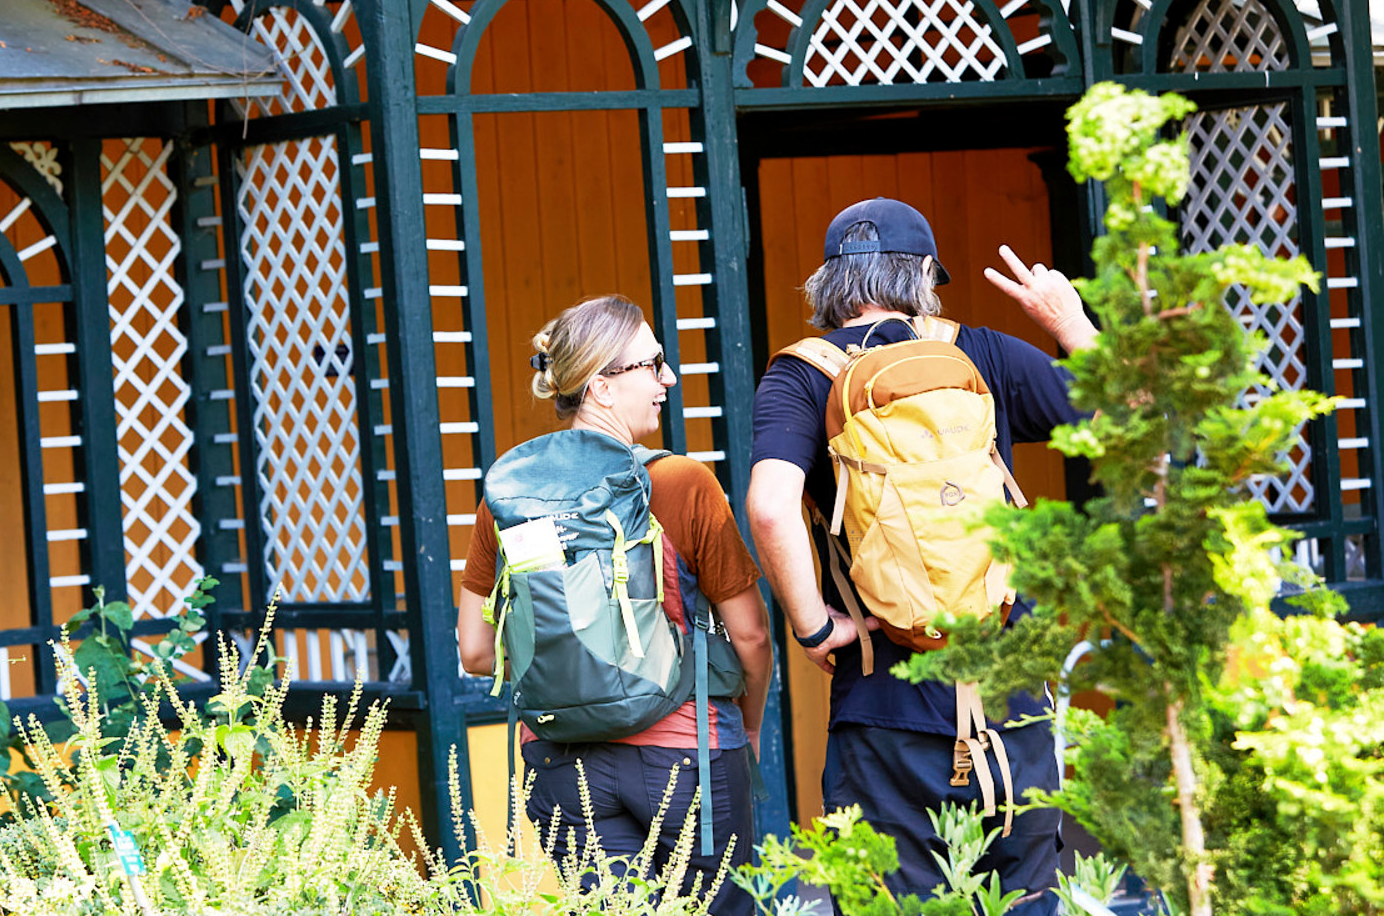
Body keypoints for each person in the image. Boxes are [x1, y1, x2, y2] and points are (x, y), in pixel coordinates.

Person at [746, 198, 1097, 914]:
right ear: (925, 277)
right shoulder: (980, 352)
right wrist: (1070, 323)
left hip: (885, 703)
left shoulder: (801, 376)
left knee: (888, 901)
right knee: (1022, 895)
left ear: (827, 283)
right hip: (1011, 699)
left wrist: (814, 627)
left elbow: (769, 504)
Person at [458, 294, 773, 916]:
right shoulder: (684, 482)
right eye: (653, 364)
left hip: (559, 760)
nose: (668, 378)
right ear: (602, 385)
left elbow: (474, 652)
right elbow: (752, 639)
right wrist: (753, 725)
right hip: (689, 756)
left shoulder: (508, 497)